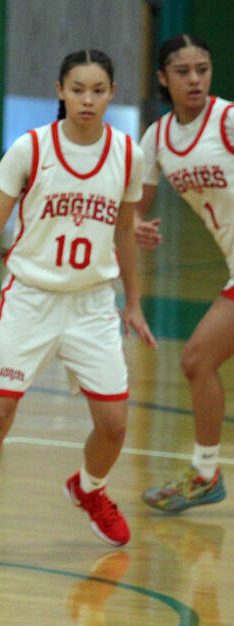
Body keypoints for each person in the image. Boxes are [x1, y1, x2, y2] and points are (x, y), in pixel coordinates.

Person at [0, 49, 157, 560]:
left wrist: (134, 303)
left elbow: (125, 231)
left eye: (98, 90)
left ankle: (89, 487)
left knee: (114, 424)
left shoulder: (128, 155)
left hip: (91, 304)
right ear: (60, 91)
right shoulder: (30, 148)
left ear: (111, 93)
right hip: (30, 299)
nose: (87, 99)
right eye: (77, 89)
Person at [136, 34, 233, 513]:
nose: (195, 79)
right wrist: (134, 227)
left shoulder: (228, 120)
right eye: (183, 71)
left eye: (203, 69)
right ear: (163, 78)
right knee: (197, 360)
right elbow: (132, 209)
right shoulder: (157, 138)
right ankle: (206, 473)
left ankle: (206, 471)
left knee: (197, 357)